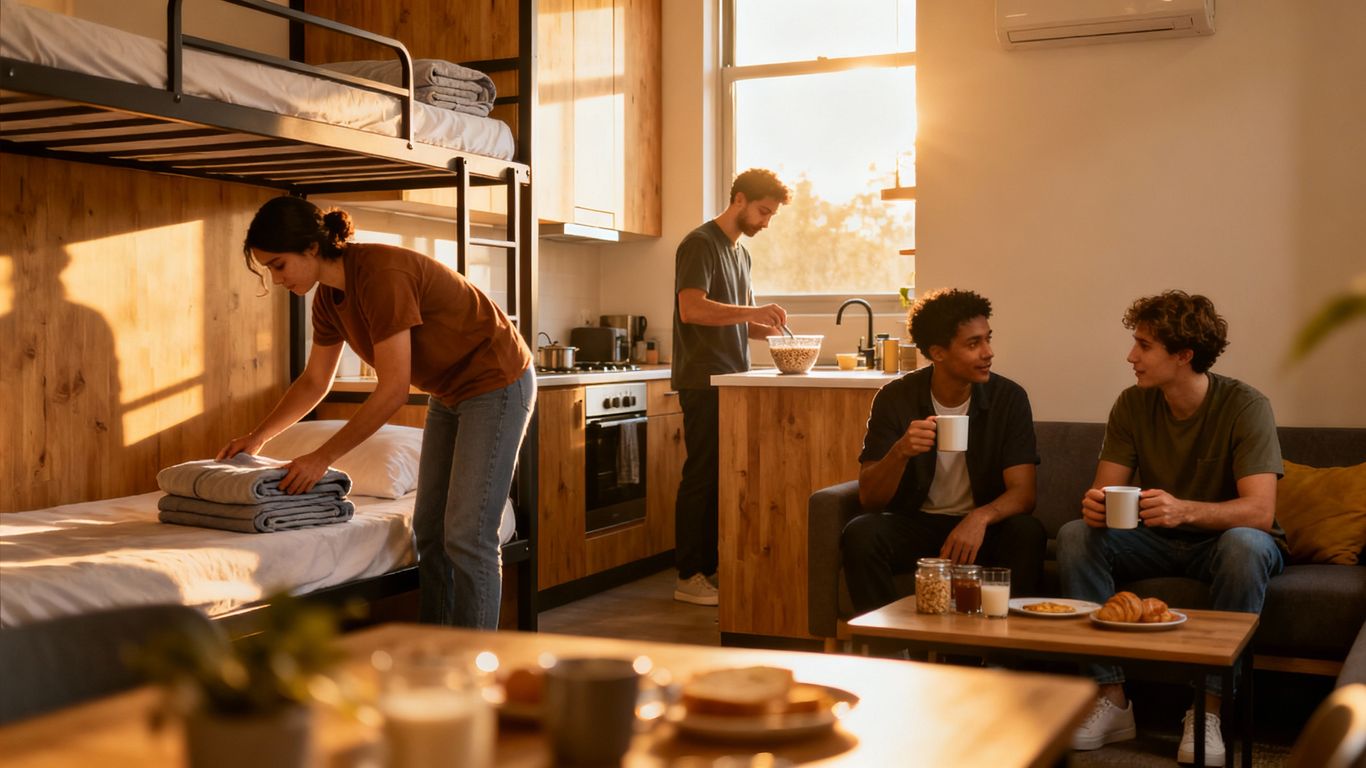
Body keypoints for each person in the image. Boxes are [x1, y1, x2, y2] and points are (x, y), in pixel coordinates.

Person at [219, 196, 535, 630]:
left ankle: (474, 656)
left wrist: (321, 458)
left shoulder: (381, 275)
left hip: (496, 381)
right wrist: (258, 437)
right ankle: (437, 647)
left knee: (469, 535)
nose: (276, 279)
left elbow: (392, 391)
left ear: (311, 248)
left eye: (279, 265)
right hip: (448, 391)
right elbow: (314, 381)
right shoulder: (327, 300)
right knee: (429, 530)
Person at [1057, 290, 1283, 766]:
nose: (1131, 356)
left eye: (1144, 346)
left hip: (1223, 543)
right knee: (1076, 535)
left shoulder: (1246, 405)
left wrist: (1184, 511)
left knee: (1246, 545)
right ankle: (1112, 699)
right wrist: (1096, 506)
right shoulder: (1132, 404)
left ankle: (1208, 711)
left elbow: (1260, 512)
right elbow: (1104, 489)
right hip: (1155, 541)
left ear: (1183, 355)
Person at [842, 288, 1045, 615]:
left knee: (1027, 532)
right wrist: (900, 452)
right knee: (861, 534)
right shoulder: (895, 398)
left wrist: (979, 518)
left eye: (988, 339)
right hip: (917, 524)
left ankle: (1007, 644)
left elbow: (1024, 493)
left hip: (984, 530)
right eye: (973, 344)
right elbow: (870, 499)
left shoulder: (1009, 399)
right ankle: (888, 642)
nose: (988, 352)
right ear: (937, 353)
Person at [670, 168, 791, 606]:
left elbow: (737, 322)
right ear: (739, 199)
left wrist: (770, 331)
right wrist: (753, 312)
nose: (766, 222)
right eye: (763, 211)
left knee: (722, 476)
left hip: (731, 378)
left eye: (771, 215)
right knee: (702, 476)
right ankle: (689, 575)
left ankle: (711, 568)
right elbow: (693, 310)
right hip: (703, 378)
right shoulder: (700, 243)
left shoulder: (740, 253)